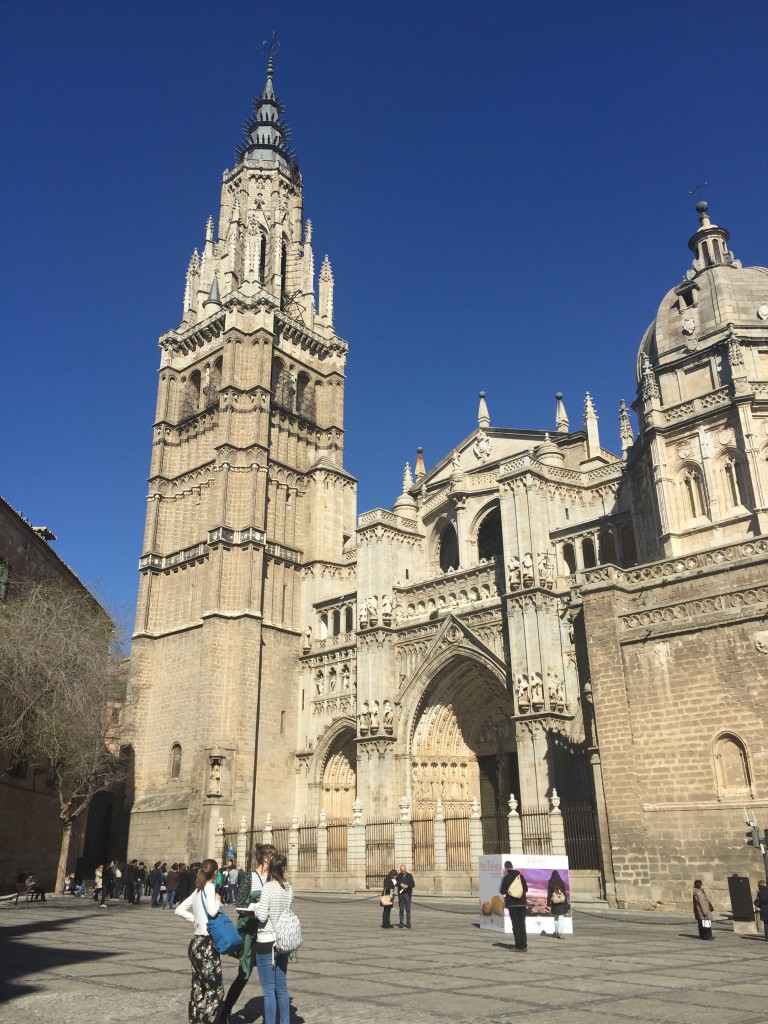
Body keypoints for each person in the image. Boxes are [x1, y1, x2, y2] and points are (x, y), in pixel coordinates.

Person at [219, 844, 276, 1024]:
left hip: (267, 932)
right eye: (273, 856)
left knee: (271, 977)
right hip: (251, 932)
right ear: (266, 858)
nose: (275, 859)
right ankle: (224, 1013)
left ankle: (272, 1018)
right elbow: (240, 903)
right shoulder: (249, 877)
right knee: (244, 974)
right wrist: (253, 909)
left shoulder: (274, 879)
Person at [175, 858, 224, 1024]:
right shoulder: (210, 887)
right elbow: (212, 910)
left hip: (195, 944)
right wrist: (218, 900)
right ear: (215, 873)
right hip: (207, 946)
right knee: (216, 991)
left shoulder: (198, 890)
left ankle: (194, 1021)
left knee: (198, 987)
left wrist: (194, 919)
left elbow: (179, 909)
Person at [254, 852, 293, 1024]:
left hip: (266, 941)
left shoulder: (268, 887)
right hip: (282, 941)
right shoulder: (288, 887)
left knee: (269, 990)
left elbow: (262, 916)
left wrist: (255, 908)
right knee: (282, 988)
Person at [499, 860, 529, 951]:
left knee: (516, 925)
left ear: (506, 868)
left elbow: (502, 891)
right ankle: (524, 945)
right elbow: (526, 889)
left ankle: (518, 946)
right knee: (522, 925)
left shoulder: (506, 877)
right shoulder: (521, 876)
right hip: (522, 904)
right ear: (512, 866)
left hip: (512, 904)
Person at [546, 869, 569, 939]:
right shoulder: (561, 881)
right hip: (561, 902)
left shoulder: (550, 882)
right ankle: (561, 933)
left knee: (556, 918)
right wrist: (565, 902)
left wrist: (548, 903)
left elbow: (549, 894)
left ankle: (556, 932)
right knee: (561, 917)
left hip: (554, 902)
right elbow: (564, 892)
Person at [396, 864, 415, 929]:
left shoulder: (409, 876)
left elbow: (413, 884)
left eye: (403, 871)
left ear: (405, 870)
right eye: (401, 871)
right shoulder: (398, 876)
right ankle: (401, 923)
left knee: (408, 909)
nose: (402, 872)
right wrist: (400, 884)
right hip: (401, 894)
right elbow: (396, 883)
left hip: (407, 894)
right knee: (401, 909)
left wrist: (407, 886)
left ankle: (408, 923)